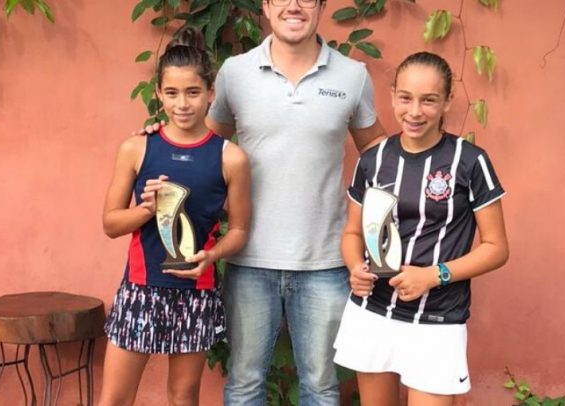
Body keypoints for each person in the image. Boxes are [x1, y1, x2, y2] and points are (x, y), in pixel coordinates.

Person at [204, 0, 387, 403]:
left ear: (321, 7)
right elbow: (203, 148)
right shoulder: (235, 73)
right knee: (244, 383)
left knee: (321, 387)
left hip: (325, 261)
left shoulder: (352, 75)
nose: (293, 6)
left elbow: (378, 152)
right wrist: (156, 145)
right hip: (249, 259)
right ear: (267, 6)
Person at [332, 51, 509, 406]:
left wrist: (433, 275)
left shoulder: (470, 161)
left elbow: (496, 248)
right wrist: (355, 268)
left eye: (428, 100)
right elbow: (353, 233)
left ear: (447, 101)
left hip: (437, 318)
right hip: (373, 311)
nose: (414, 111)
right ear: (393, 96)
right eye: (405, 98)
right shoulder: (373, 160)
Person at [99, 26, 250, 406]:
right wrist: (146, 209)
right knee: (114, 399)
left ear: (211, 93)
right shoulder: (137, 148)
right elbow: (110, 224)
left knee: (183, 397)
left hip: (195, 292)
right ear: (158, 94)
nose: (183, 104)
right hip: (140, 287)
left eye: (193, 92)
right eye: (172, 93)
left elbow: (239, 230)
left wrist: (211, 256)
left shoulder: (230, 157)